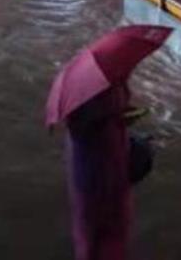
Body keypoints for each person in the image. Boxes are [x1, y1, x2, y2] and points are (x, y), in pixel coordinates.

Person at [65, 82, 132, 260]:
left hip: (87, 180)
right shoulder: (109, 92)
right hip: (109, 179)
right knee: (110, 233)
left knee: (88, 235)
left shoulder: (76, 106)